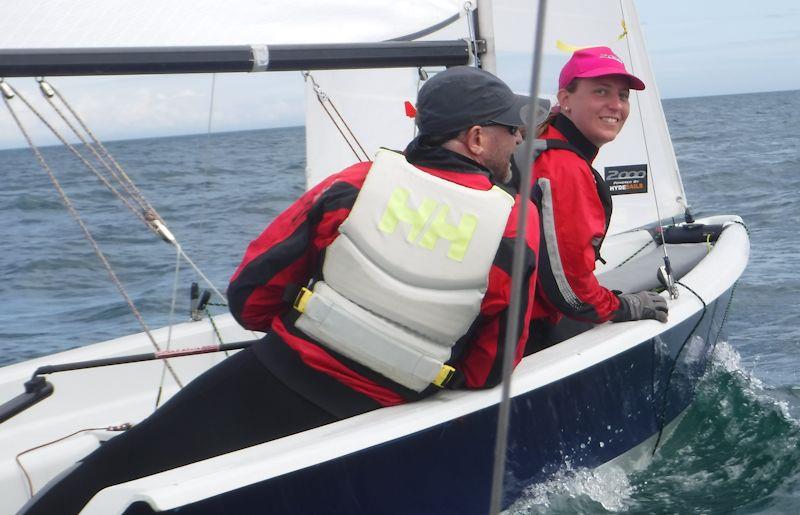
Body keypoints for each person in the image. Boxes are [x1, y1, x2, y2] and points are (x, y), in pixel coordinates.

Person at [20, 66, 540, 514]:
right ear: (476, 138)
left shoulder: (355, 185)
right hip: (385, 414)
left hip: (272, 379)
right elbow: (488, 370)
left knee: (113, 472)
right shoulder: (517, 225)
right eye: (513, 129)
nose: (520, 139)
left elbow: (249, 295)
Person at [522, 46, 668, 353]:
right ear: (565, 101)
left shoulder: (543, 143)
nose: (615, 105)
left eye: (623, 95)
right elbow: (570, 290)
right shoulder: (562, 167)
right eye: (601, 92)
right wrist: (624, 307)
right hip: (524, 337)